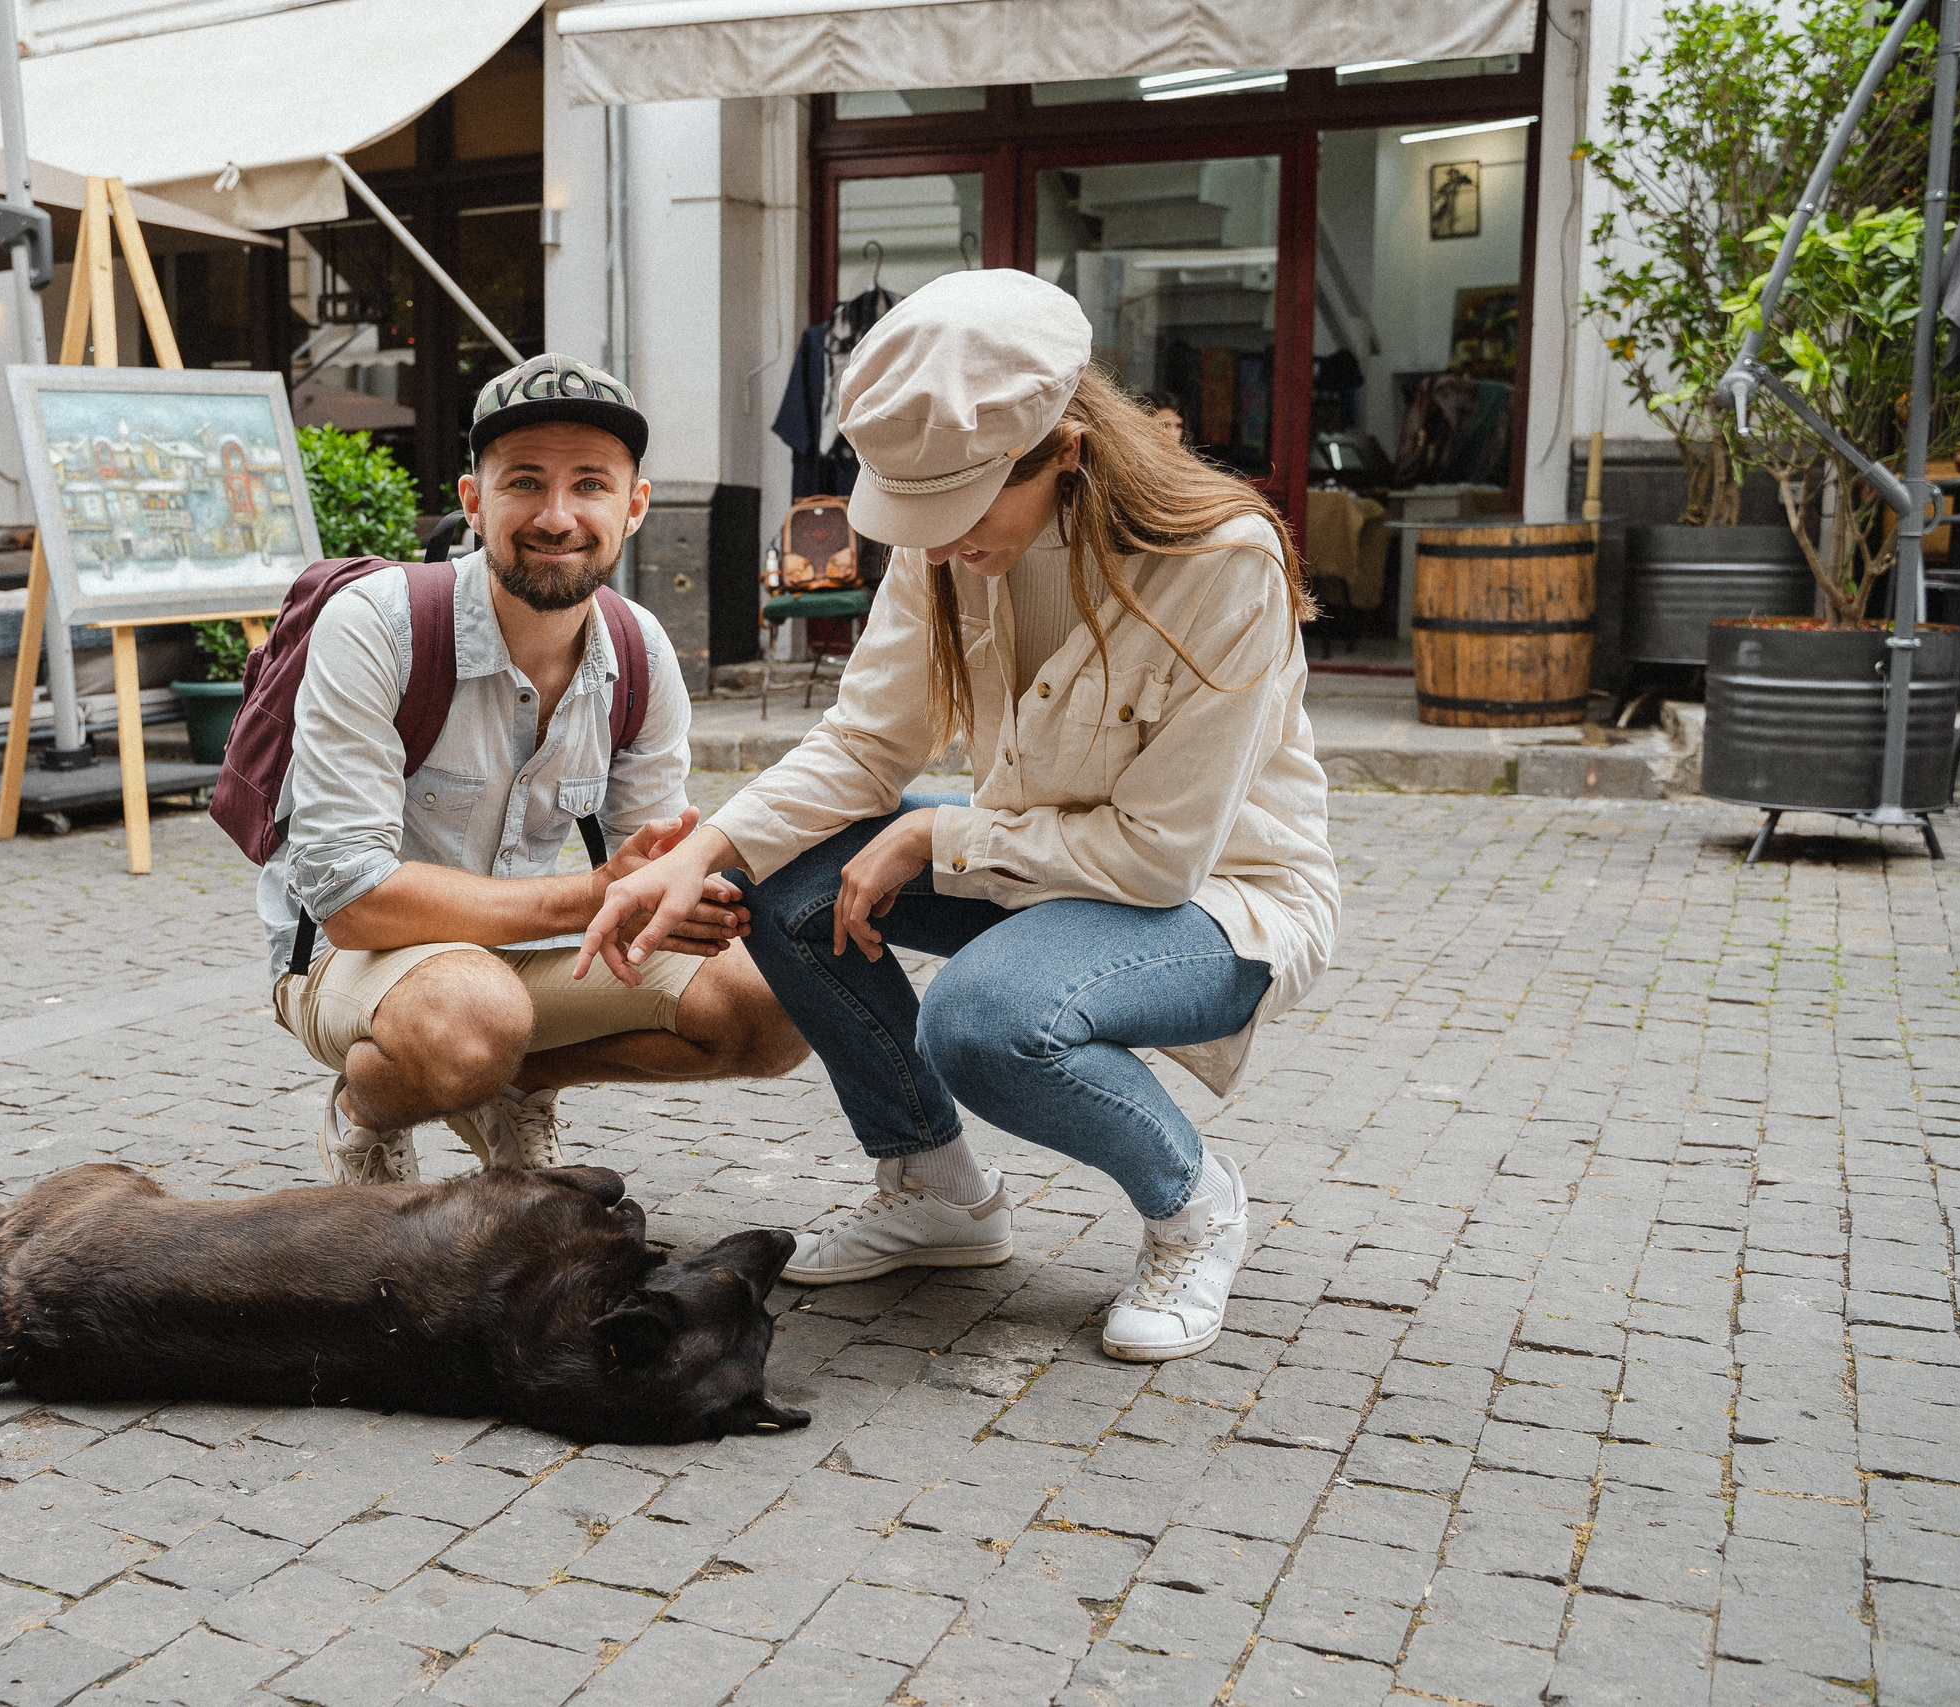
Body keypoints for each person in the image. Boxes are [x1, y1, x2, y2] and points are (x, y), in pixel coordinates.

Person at [577, 272, 1337, 1363]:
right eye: (916, 516)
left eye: (966, 514)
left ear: (1065, 451)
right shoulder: (945, 545)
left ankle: (1193, 1204)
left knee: (983, 1021)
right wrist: (697, 853)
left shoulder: (1218, 564)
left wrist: (934, 836)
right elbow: (863, 742)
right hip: (1044, 868)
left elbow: (1159, 857)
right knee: (781, 883)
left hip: (1217, 901)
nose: (935, 545)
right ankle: (940, 1194)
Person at [264, 354, 809, 1185]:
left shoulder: (640, 651)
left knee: (774, 1002)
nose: (558, 516)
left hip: (517, 960)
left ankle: (515, 1084)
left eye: (590, 484)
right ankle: (362, 1114)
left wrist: (714, 898)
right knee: (474, 1013)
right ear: (474, 501)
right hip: (349, 963)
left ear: (634, 508)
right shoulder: (378, 625)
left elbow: (647, 865)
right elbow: (350, 900)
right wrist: (596, 895)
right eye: (525, 482)